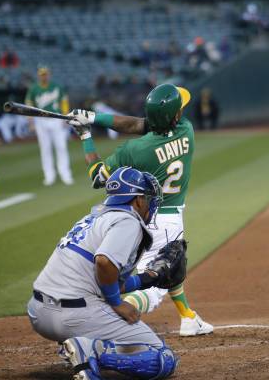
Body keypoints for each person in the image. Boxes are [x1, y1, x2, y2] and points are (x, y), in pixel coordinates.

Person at [67, 83, 213, 337]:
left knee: (171, 267)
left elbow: (96, 177)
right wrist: (93, 118)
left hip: (136, 218)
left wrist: (85, 135)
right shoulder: (186, 130)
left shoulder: (134, 150)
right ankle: (102, 321)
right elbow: (136, 124)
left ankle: (188, 317)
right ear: (175, 117)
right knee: (155, 287)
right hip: (166, 221)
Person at [27, 167, 178, 380]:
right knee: (163, 359)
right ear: (137, 200)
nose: (150, 203)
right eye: (147, 197)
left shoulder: (93, 217)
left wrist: (148, 278)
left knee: (107, 314)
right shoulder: (128, 222)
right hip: (73, 315)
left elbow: (102, 277)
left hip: (39, 312)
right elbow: (104, 262)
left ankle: (82, 347)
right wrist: (117, 302)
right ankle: (91, 352)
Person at [25, 66, 73, 186]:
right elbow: (29, 105)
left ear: (49, 74)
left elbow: (64, 101)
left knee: (61, 147)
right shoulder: (34, 89)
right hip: (41, 120)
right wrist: (30, 121)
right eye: (42, 74)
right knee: (45, 149)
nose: (44, 76)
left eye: (45, 74)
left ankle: (65, 174)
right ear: (38, 75)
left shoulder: (56, 86)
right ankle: (49, 175)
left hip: (56, 118)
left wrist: (65, 116)